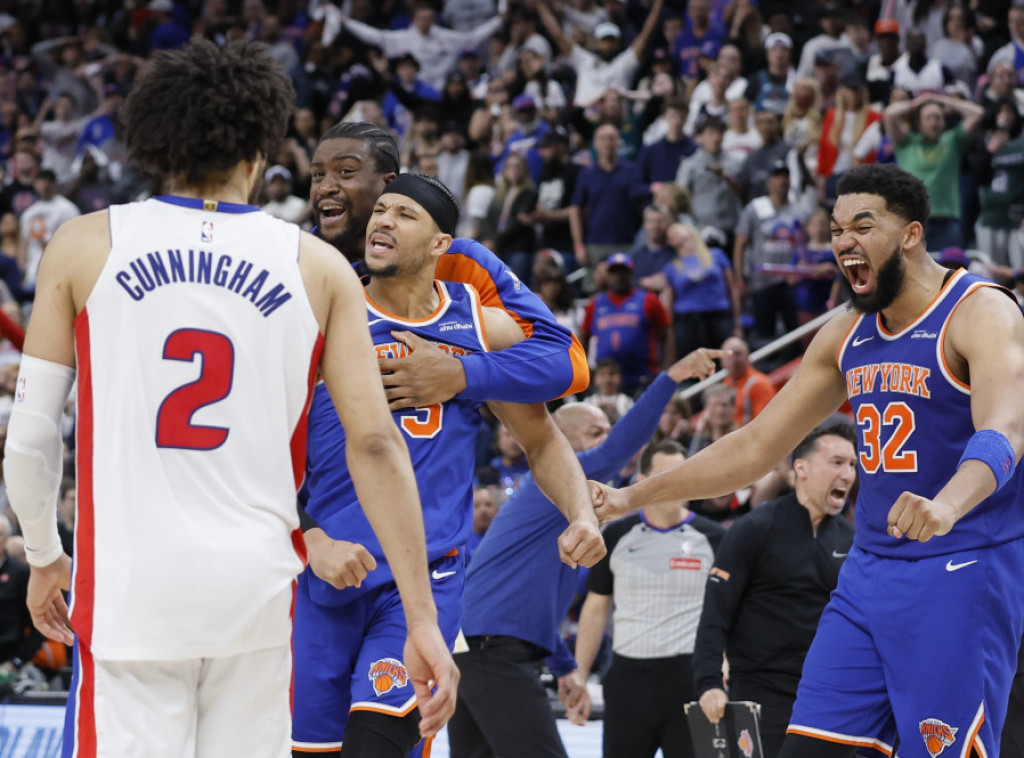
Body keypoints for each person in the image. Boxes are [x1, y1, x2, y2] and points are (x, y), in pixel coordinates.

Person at [2, 39, 458, 758]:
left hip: (131, 588)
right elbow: (375, 444)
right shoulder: (318, 266)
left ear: (156, 143)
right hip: (258, 593)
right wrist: (423, 619)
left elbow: (31, 437)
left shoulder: (84, 244)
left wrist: (43, 554)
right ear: (259, 152)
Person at [590, 163, 1024, 757]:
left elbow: (1006, 429)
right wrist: (630, 496)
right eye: (837, 229)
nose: (844, 241)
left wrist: (947, 505)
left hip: (962, 565)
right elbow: (755, 446)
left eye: (863, 227)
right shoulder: (848, 332)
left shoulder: (981, 310)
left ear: (911, 235)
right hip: (869, 572)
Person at [292, 174, 605, 758]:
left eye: (404, 214)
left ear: (442, 245)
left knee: (375, 747)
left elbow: (542, 438)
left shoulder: (477, 324)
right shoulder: (323, 312)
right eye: (380, 211)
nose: (383, 220)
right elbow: (259, 448)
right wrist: (309, 536)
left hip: (428, 577)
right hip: (326, 571)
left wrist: (581, 512)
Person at [450, 349, 722, 758]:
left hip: (478, 645)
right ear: (561, 442)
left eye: (608, 430)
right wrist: (671, 377)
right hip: (491, 649)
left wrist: (564, 667)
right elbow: (618, 450)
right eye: (597, 432)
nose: (607, 440)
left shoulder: (555, 510)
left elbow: (530, 600)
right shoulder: (550, 483)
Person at [307, 121, 589, 410]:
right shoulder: (295, 268)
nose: (325, 187)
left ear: (388, 185)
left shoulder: (458, 260)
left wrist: (460, 374)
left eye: (346, 172)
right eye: (317, 175)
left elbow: (569, 362)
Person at [693, 422, 857, 758]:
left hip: (827, 695)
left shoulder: (851, 539)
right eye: (837, 462)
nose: (848, 474)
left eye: (853, 465)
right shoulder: (755, 528)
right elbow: (715, 613)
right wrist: (709, 683)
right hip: (760, 691)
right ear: (802, 468)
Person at [575, 439, 726, 758]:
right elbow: (595, 610)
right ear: (642, 482)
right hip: (629, 679)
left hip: (690, 677)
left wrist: (722, 667)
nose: (676, 483)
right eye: (665, 476)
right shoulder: (616, 536)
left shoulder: (714, 538)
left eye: (682, 474)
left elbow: (726, 613)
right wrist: (580, 676)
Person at [884, 91, 984, 250]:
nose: (933, 122)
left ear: (944, 121)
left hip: (946, 223)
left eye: (938, 117)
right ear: (919, 122)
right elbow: (890, 114)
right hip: (911, 223)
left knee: (949, 267)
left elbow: (977, 113)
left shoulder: (953, 141)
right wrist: (917, 103)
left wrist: (942, 100)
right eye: (928, 118)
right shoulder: (906, 142)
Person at [579, 252, 672, 396]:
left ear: (631, 274)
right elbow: (583, 338)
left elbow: (667, 334)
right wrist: (585, 369)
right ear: (607, 275)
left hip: (642, 378)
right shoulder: (595, 304)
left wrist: (667, 368)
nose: (619, 276)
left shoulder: (649, 300)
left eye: (623, 272)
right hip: (605, 382)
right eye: (614, 272)